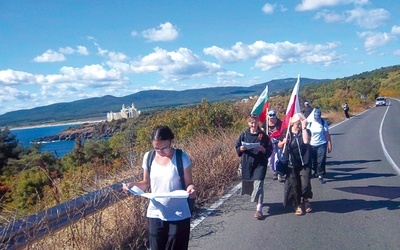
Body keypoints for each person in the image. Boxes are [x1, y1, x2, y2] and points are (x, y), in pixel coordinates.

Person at [123, 125, 196, 250]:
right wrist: (132, 185)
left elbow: (189, 183)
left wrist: (191, 189)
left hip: (178, 213)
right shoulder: (149, 157)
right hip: (155, 212)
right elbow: (145, 183)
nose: (161, 152)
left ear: (171, 141)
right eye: (157, 148)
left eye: (164, 148)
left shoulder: (181, 157)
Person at [236, 114, 273, 219]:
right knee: (250, 185)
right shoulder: (244, 134)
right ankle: (257, 201)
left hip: (260, 163)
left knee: (259, 183)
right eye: (251, 122)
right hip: (248, 163)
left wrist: (264, 150)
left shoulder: (263, 135)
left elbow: (270, 149)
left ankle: (259, 209)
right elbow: (237, 146)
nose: (253, 124)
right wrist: (241, 149)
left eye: (255, 122)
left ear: (258, 123)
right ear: (248, 123)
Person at [278, 113, 313, 215]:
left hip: (304, 163)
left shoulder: (305, 131)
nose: (299, 124)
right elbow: (279, 145)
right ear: (292, 123)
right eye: (298, 122)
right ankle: (298, 205)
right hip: (291, 164)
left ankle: (305, 200)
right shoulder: (286, 132)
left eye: (301, 122)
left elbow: (306, 141)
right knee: (294, 186)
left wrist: (304, 127)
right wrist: (283, 142)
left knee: (305, 185)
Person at [307, 108, 332, 184]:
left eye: (318, 116)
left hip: (322, 144)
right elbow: (306, 134)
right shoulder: (309, 123)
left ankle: (320, 175)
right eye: (316, 117)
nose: (317, 118)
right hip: (311, 145)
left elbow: (327, 134)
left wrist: (329, 144)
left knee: (321, 160)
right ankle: (316, 171)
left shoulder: (323, 122)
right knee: (313, 161)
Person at [262, 110, 284, 181]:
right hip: (269, 144)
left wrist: (281, 140)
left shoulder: (279, 122)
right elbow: (261, 133)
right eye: (270, 116)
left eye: (273, 116)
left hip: (278, 142)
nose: (272, 118)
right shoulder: (265, 123)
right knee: (271, 160)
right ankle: (274, 171)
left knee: (278, 157)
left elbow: (283, 132)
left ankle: (279, 173)